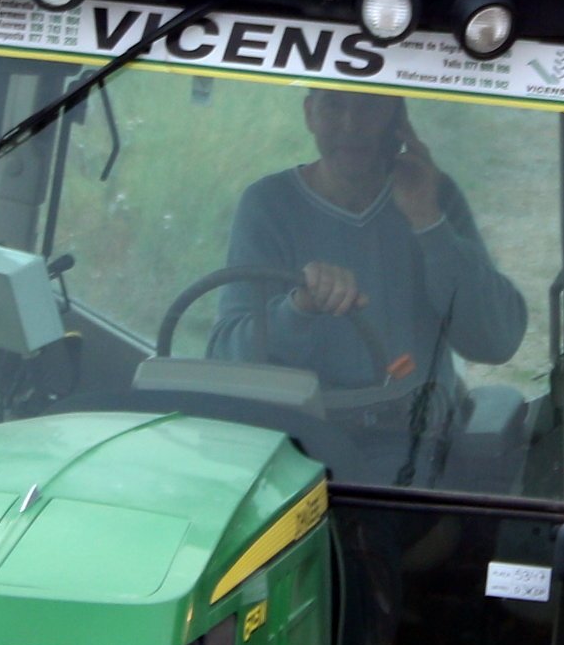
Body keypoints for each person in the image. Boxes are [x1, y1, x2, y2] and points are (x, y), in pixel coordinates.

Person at [215, 88, 526, 469]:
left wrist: (428, 222)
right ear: (310, 113)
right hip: (297, 437)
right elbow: (227, 356)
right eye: (334, 105)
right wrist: (300, 308)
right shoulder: (268, 204)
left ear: (398, 121)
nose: (351, 125)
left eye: (370, 106)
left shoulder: (435, 196)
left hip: (415, 437)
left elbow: (495, 341)